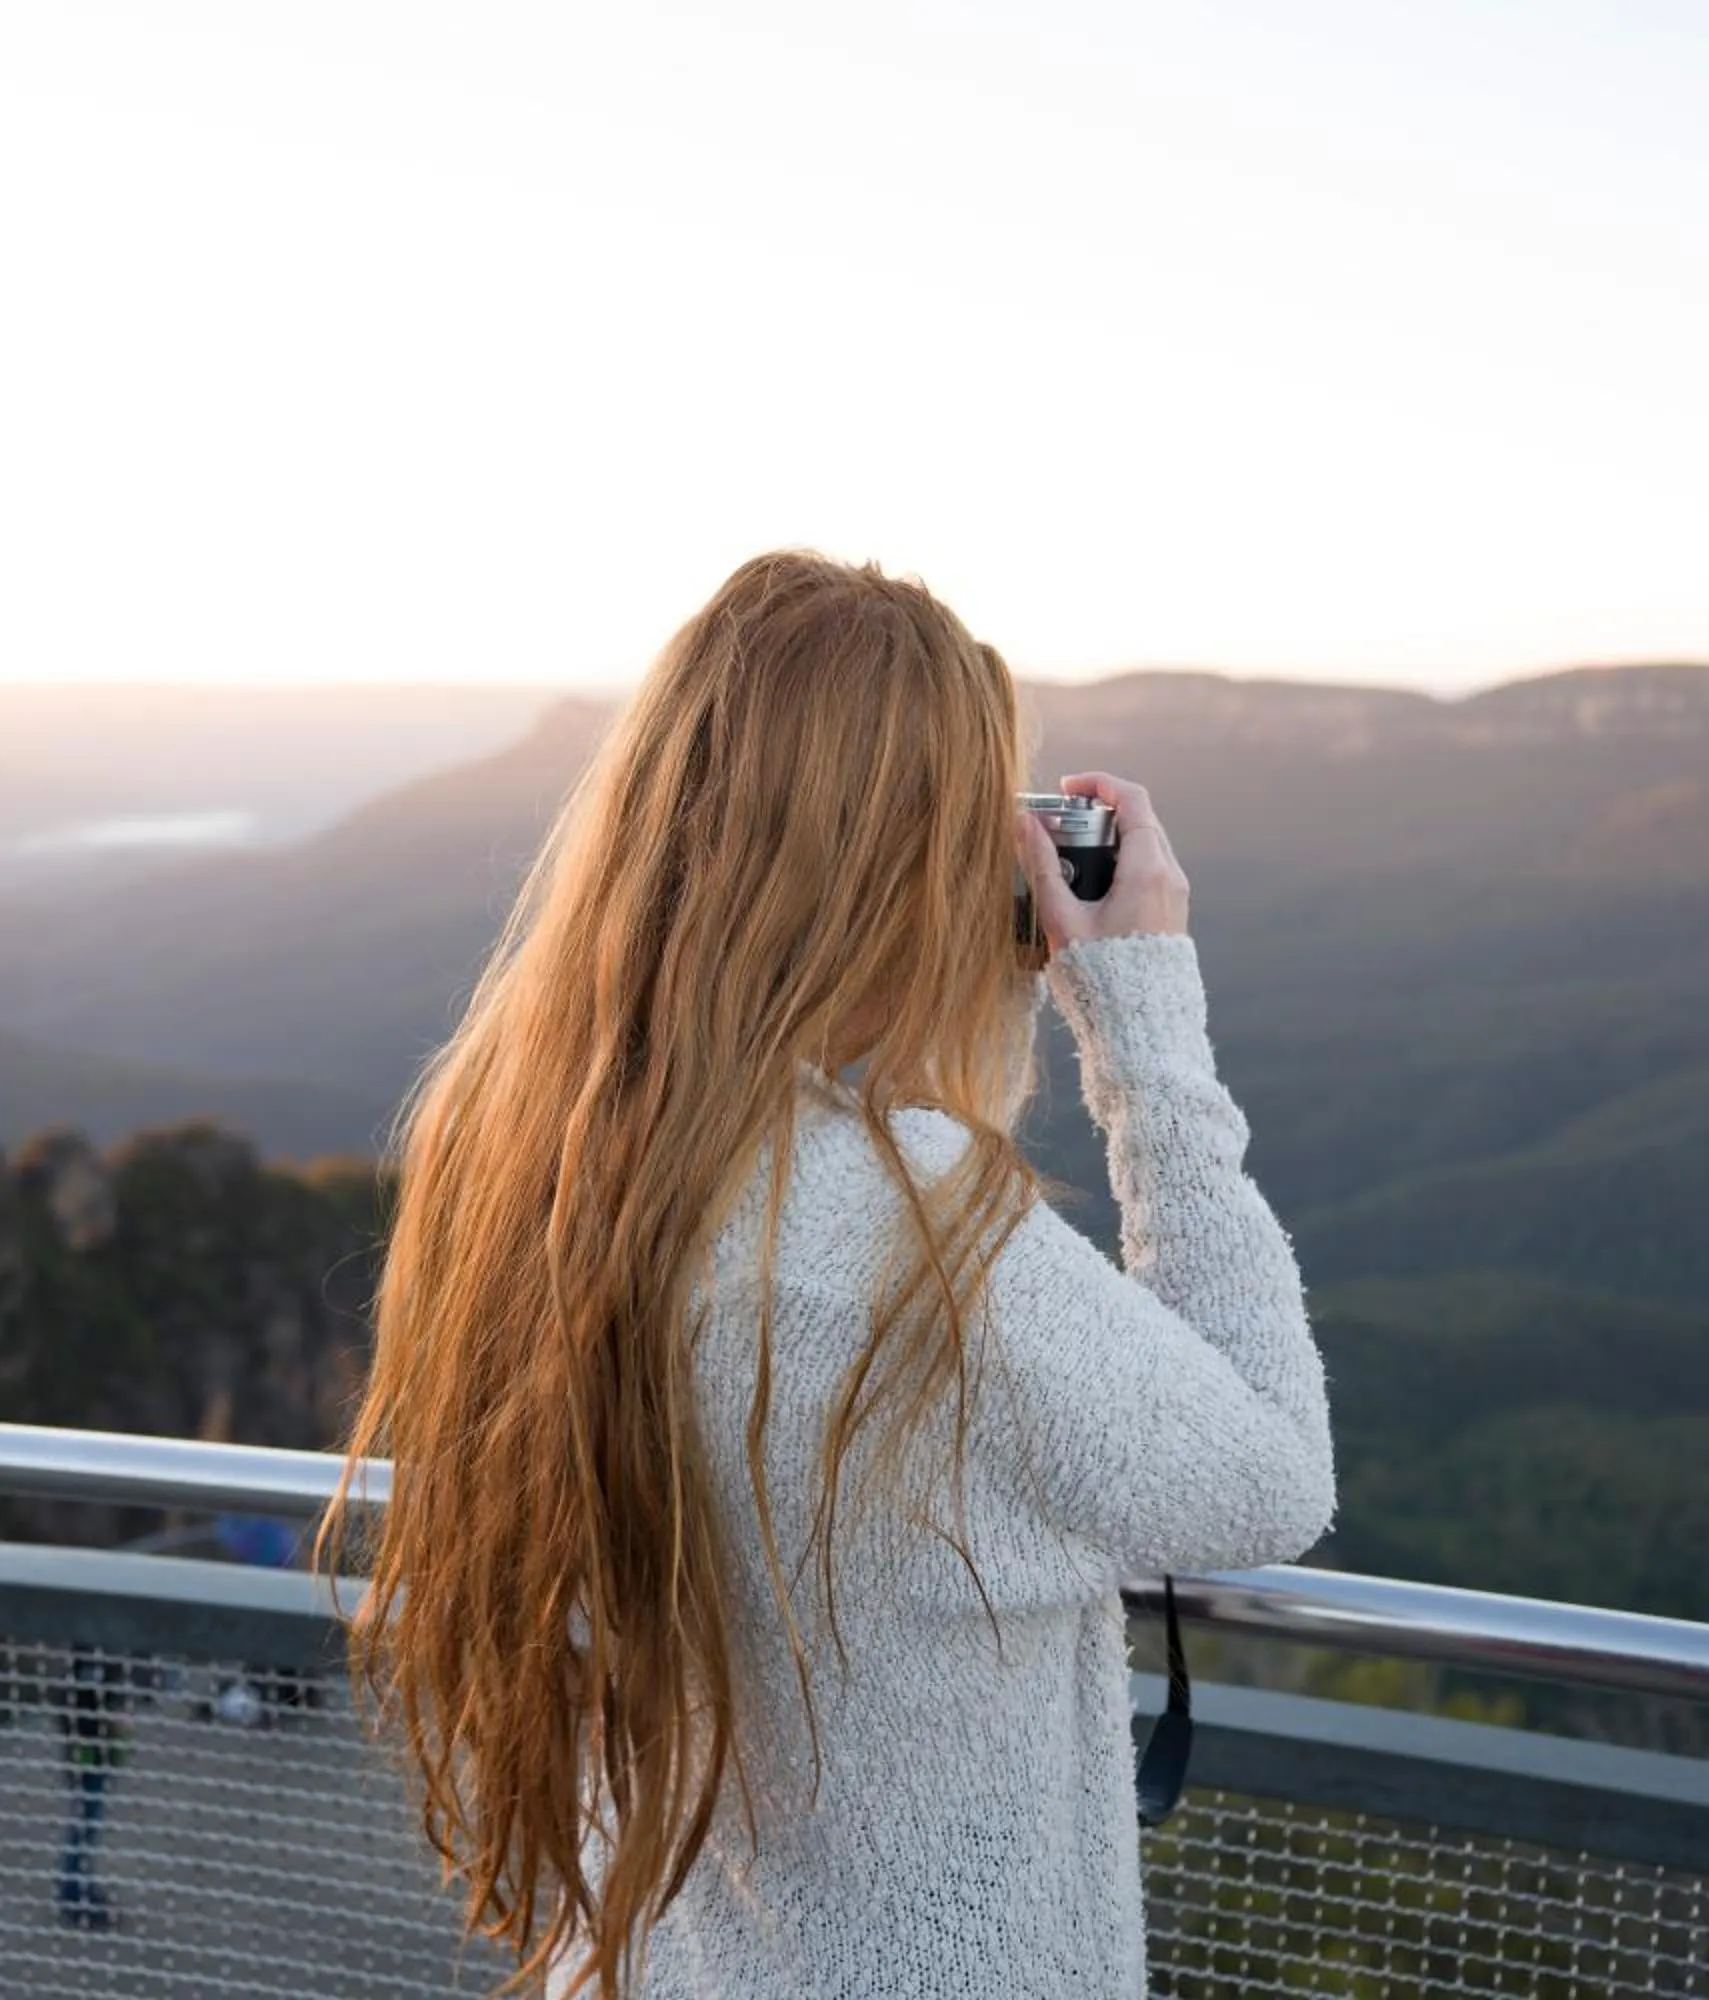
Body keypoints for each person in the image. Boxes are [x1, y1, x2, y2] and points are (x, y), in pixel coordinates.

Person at [326, 551, 1335, 1998]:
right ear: (908, 870)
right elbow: (1274, 1479)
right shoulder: (909, 1227)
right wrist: (1145, 1022)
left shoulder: (529, 1166)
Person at [55, 1643, 136, 1930]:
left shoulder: (93, 1662)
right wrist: (112, 1722)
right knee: (85, 1823)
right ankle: (73, 1896)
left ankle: (81, 1885)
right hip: (89, 1753)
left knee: (89, 1822)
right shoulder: (89, 1665)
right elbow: (82, 1711)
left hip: (95, 1751)